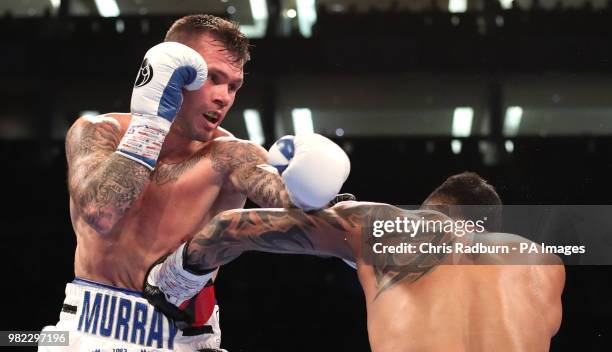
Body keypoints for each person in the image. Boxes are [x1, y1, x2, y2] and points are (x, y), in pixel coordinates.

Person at [42, 14, 351, 352]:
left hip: (180, 339)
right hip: (82, 329)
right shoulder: (98, 132)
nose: (224, 97)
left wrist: (316, 190)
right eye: (213, 79)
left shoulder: (232, 156)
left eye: (233, 86)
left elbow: (290, 202)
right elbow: (101, 212)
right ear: (174, 71)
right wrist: (152, 122)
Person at [145, 172, 565, 352]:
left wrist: (178, 274)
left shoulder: (387, 227)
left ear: (430, 208)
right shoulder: (542, 264)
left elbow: (230, 228)